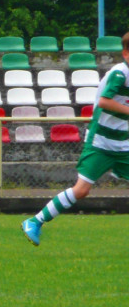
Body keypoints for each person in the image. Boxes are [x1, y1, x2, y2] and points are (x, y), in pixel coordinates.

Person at [23, 31, 129, 246]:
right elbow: (104, 102)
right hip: (101, 142)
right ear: (126, 53)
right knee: (81, 190)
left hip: (123, 143)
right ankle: (35, 221)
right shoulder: (120, 73)